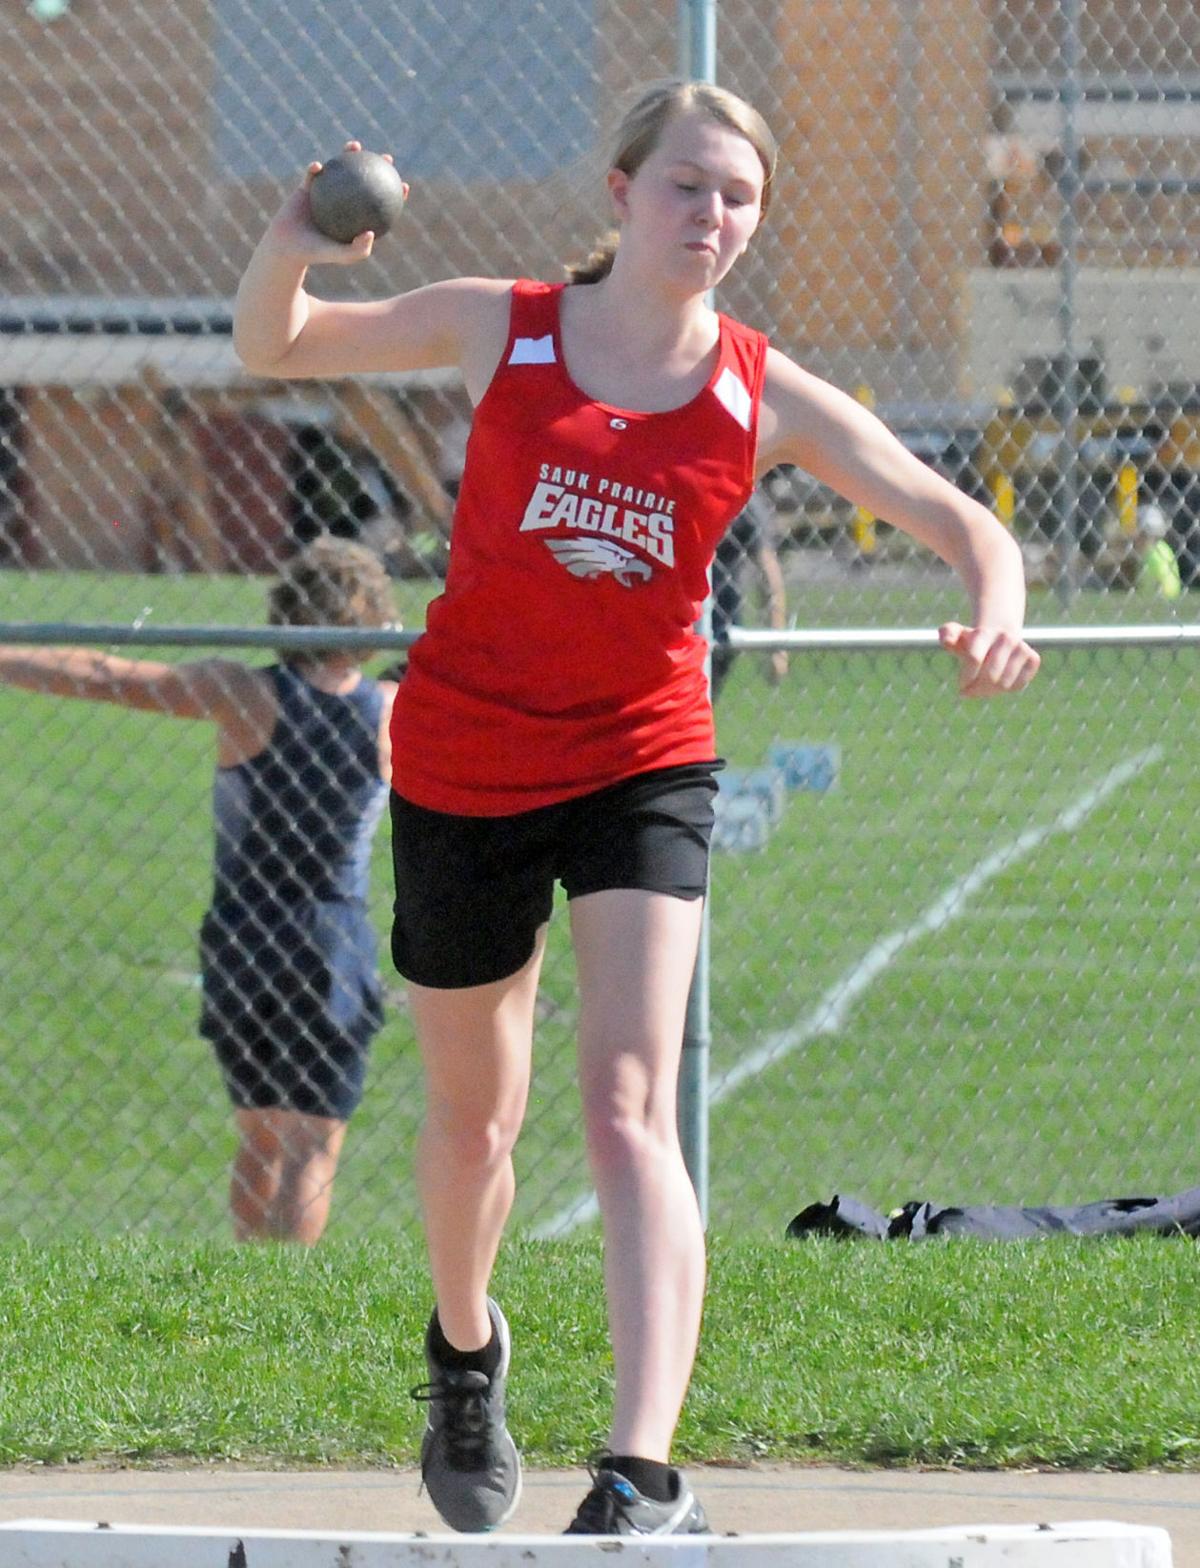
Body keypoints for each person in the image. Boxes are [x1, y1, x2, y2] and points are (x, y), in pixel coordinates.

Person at [233, 79, 1041, 1535]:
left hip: (641, 758)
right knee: (476, 1127)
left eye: (738, 197)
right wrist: (293, 236)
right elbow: (271, 341)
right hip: (468, 760)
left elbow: (963, 519)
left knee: (627, 1101)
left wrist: (996, 608)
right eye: (687, 187)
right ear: (622, 194)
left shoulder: (759, 391)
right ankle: (466, 1350)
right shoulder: (505, 324)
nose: (712, 217)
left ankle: (640, 1470)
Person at [0, 536, 399, 1245]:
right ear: (372, 621)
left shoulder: (241, 692)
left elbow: (102, 674)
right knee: (314, 1141)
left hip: (243, 933)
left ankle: (251, 1278)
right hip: (331, 938)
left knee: (262, 1133)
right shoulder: (392, 709)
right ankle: (283, 1292)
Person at [709, 485, 788, 700]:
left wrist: (776, 645)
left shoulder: (746, 499)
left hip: (721, 620)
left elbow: (768, 573)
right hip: (676, 619)